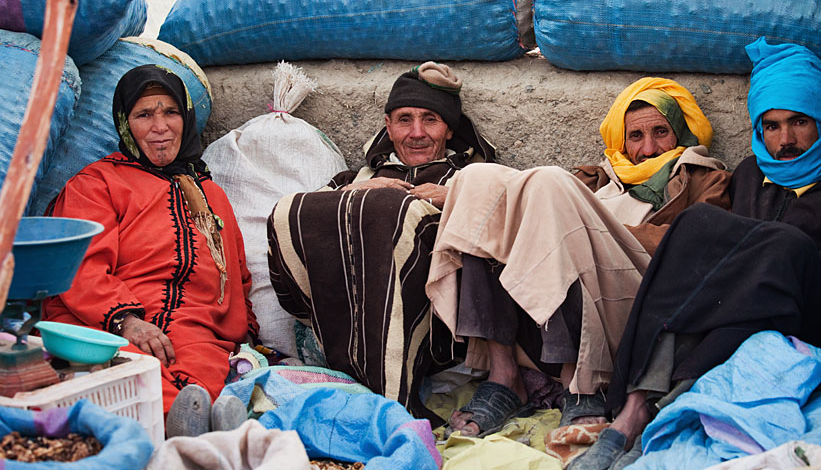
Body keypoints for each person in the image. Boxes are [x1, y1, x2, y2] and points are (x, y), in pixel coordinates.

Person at [577, 38, 821, 470]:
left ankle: (655, 410)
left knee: (785, 245)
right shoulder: (748, 174)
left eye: (800, 122)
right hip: (736, 308)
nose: (785, 139)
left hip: (795, 307)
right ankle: (634, 411)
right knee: (695, 228)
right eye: (772, 126)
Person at [425, 77, 731, 438]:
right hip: (563, 304)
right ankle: (504, 374)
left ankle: (583, 382)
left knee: (549, 183)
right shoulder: (597, 177)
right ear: (621, 139)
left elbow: (696, 246)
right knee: (478, 178)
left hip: (638, 300)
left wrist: (591, 229)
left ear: (680, 133)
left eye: (661, 132)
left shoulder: (705, 178)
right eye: (635, 136)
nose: (648, 149)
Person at [267, 62, 495, 423]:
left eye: (430, 120)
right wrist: (358, 193)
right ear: (388, 127)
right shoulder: (352, 178)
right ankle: (355, 362)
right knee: (290, 209)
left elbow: (510, 224)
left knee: (398, 214)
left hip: (439, 336)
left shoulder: (473, 178)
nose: (416, 133)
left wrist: (454, 198)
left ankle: (389, 390)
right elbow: (295, 223)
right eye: (404, 120)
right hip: (346, 321)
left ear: (449, 130)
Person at [42, 64, 257, 436]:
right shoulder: (97, 184)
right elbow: (79, 266)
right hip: (109, 323)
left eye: (170, 112)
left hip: (195, 332)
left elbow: (238, 277)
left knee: (201, 377)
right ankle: (201, 433)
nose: (160, 127)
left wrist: (246, 334)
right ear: (126, 125)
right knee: (134, 374)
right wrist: (126, 321)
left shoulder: (212, 195)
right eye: (144, 115)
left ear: (186, 119)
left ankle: (199, 428)